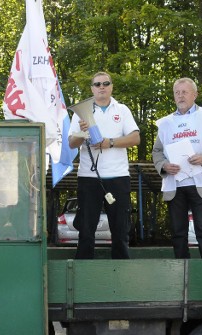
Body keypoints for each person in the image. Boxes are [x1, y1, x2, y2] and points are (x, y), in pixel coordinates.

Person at [152, 77, 202, 259]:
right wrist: (163, 166)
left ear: (195, 94)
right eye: (177, 93)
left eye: (184, 92)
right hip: (175, 185)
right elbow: (157, 151)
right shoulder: (164, 123)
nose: (180, 96)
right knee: (178, 233)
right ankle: (181, 271)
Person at [68, 71, 140, 259]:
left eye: (105, 83)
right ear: (92, 88)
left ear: (111, 86)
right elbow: (71, 143)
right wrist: (81, 133)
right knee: (86, 229)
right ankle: (83, 273)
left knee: (120, 230)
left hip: (118, 177)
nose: (102, 87)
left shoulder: (122, 109)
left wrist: (111, 143)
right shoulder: (81, 111)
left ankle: (122, 271)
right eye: (97, 84)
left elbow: (135, 138)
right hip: (88, 177)